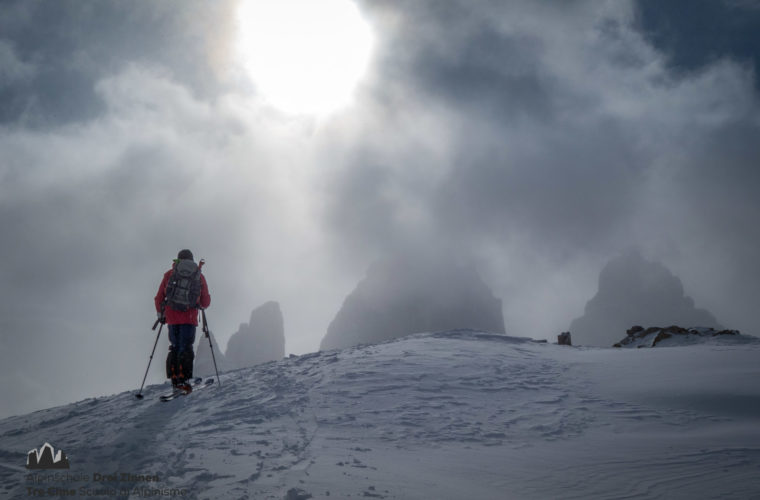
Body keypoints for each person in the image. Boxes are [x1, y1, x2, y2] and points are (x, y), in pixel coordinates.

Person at [154, 249, 211, 390]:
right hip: (189, 317)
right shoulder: (198, 275)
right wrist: (200, 304)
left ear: (178, 260)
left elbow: (159, 298)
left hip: (172, 318)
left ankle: (174, 379)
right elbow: (205, 302)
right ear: (191, 260)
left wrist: (161, 315)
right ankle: (184, 380)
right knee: (186, 347)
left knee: (174, 346)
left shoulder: (169, 274)